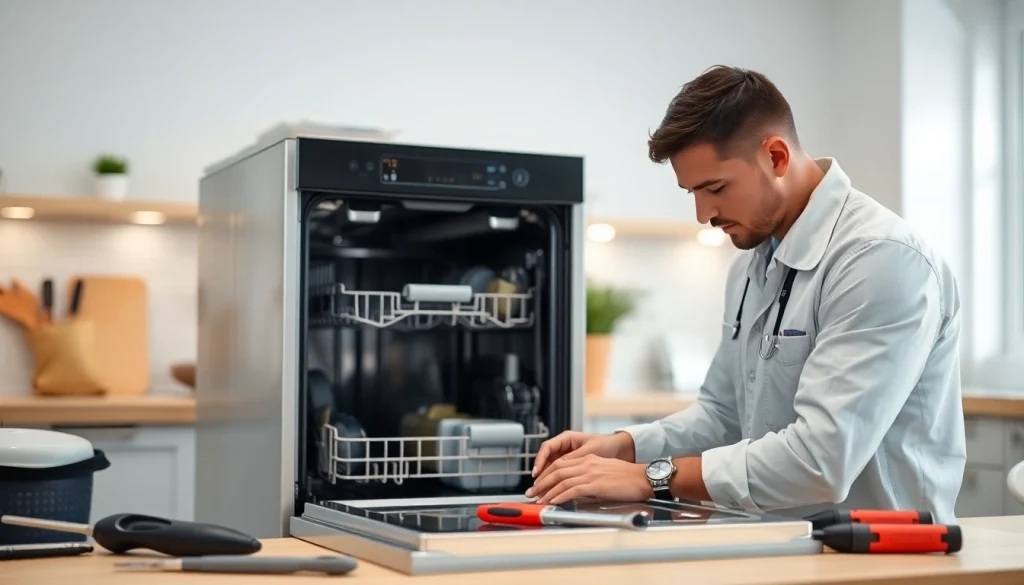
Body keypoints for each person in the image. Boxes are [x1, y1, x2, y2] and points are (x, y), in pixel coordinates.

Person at [528, 65, 966, 524]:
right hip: (779, 544)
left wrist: (651, 475)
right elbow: (725, 416)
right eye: (692, 192)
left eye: (715, 188)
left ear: (776, 156)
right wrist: (624, 446)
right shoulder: (751, 264)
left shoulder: (880, 259)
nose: (703, 214)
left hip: (883, 555)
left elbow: (821, 461)